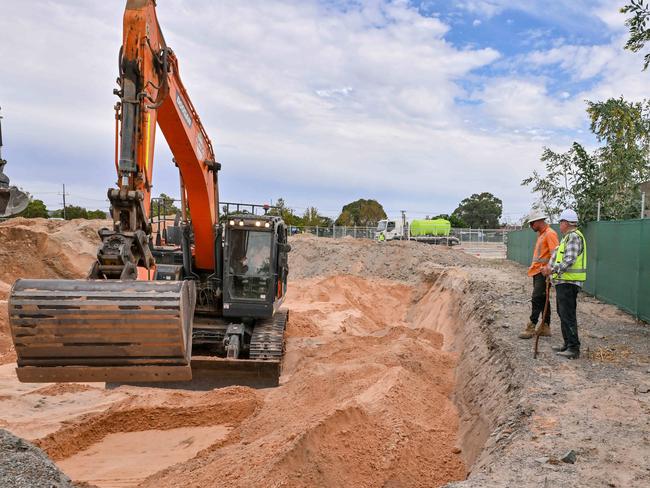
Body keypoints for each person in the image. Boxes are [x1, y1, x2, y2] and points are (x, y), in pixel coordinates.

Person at [541, 209, 586, 359]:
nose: (559, 225)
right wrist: (549, 268)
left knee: (568, 314)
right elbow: (558, 257)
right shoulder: (566, 238)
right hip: (563, 282)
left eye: (561, 222)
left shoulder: (573, 237)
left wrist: (552, 270)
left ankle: (573, 348)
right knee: (563, 313)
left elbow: (569, 260)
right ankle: (567, 344)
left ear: (566, 223)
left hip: (569, 282)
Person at [519, 211, 559, 339]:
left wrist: (549, 269)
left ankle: (532, 325)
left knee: (537, 298)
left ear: (538, 222)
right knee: (543, 299)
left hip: (543, 273)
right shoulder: (541, 235)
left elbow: (555, 255)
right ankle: (545, 327)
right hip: (537, 272)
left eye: (531, 223)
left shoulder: (550, 234)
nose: (531, 226)